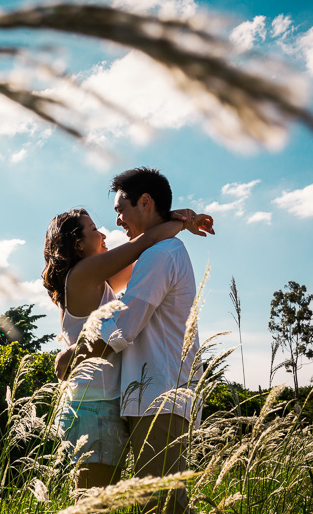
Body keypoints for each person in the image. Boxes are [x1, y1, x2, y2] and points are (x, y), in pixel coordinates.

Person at [43, 204, 213, 490]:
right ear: (79, 244)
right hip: (93, 405)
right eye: (94, 229)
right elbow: (143, 243)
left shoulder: (100, 280)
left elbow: (148, 252)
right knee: (92, 506)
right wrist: (182, 222)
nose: (103, 234)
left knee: (101, 502)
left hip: (104, 403)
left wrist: (177, 217)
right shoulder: (82, 274)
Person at [87, 167, 206, 513]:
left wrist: (77, 355)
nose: (119, 220)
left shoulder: (161, 254)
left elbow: (126, 324)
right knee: (159, 503)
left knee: (163, 506)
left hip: (160, 397)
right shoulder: (158, 250)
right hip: (154, 396)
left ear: (144, 201)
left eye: (120, 209)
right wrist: (176, 220)